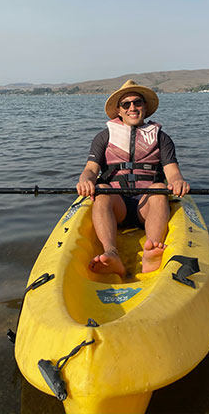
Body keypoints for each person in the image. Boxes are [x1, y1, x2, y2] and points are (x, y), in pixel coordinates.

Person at [77, 79, 189, 277]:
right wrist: (85, 180)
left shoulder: (162, 138)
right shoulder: (103, 137)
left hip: (145, 206)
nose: (132, 107)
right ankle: (111, 253)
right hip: (116, 205)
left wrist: (177, 182)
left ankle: (152, 250)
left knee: (158, 190)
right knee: (102, 192)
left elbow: (172, 172)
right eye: (126, 104)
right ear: (119, 110)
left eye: (137, 102)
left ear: (144, 107)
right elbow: (91, 170)